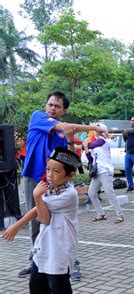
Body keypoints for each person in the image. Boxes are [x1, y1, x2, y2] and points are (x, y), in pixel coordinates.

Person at [19, 91, 104, 279]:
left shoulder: (61, 135)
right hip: (33, 177)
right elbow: (67, 126)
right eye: (50, 104)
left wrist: (70, 139)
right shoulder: (38, 117)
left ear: (63, 110)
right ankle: (34, 262)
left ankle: (72, 264)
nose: (52, 108)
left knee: (60, 223)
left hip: (53, 180)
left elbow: (70, 159)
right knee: (36, 222)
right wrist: (94, 128)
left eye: (57, 107)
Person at [3, 147, 81, 294]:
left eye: (56, 171)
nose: (50, 174)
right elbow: (38, 210)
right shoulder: (50, 189)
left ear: (69, 176)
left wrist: (36, 197)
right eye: (48, 169)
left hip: (59, 256)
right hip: (43, 253)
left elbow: (44, 218)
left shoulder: (69, 194)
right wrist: (16, 225)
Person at [83, 123, 125, 224]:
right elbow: (90, 158)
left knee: (110, 193)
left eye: (98, 128)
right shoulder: (96, 142)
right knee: (91, 193)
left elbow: (90, 145)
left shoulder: (102, 140)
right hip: (97, 172)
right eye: (95, 128)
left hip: (105, 171)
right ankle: (100, 213)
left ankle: (120, 215)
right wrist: (85, 147)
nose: (95, 130)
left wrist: (84, 144)